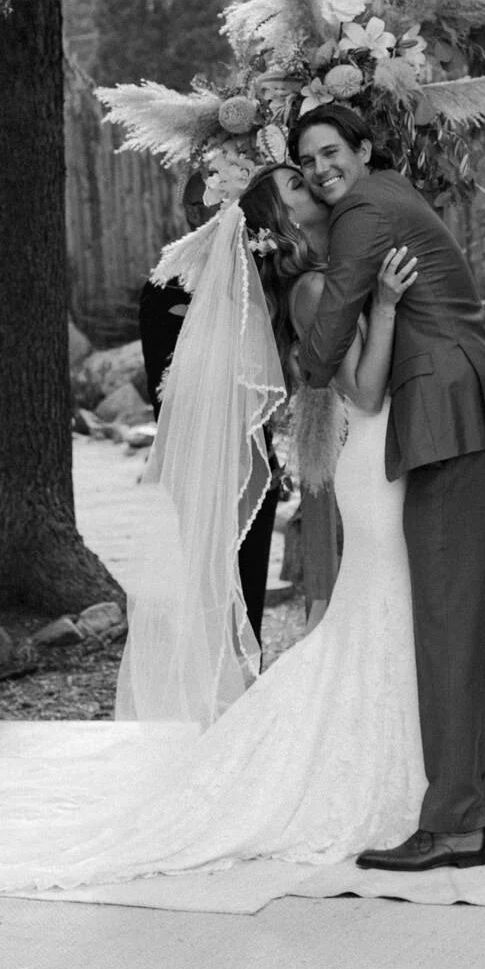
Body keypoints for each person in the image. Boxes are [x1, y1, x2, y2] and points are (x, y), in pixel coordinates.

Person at [0, 170, 423, 891]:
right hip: (277, 464)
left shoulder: (291, 281)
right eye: (293, 181)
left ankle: (258, 739)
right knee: (266, 607)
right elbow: (298, 385)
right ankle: (242, 745)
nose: (309, 183)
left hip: (310, 460)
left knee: (301, 612)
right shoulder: (223, 288)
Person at [288, 102, 485, 873]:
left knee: (447, 620)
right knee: (476, 614)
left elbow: (328, 339)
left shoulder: (362, 209)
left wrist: (310, 355)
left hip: (451, 419)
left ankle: (453, 823)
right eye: (308, 162)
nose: (322, 170)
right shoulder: (395, 194)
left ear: (363, 148)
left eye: (331, 151)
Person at [139, 171, 278, 644]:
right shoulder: (165, 287)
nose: (218, 217)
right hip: (196, 464)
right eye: (206, 208)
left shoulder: (260, 277)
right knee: (209, 590)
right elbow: (167, 389)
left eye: (226, 207)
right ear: (189, 215)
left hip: (254, 461)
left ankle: (250, 672)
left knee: (250, 591)